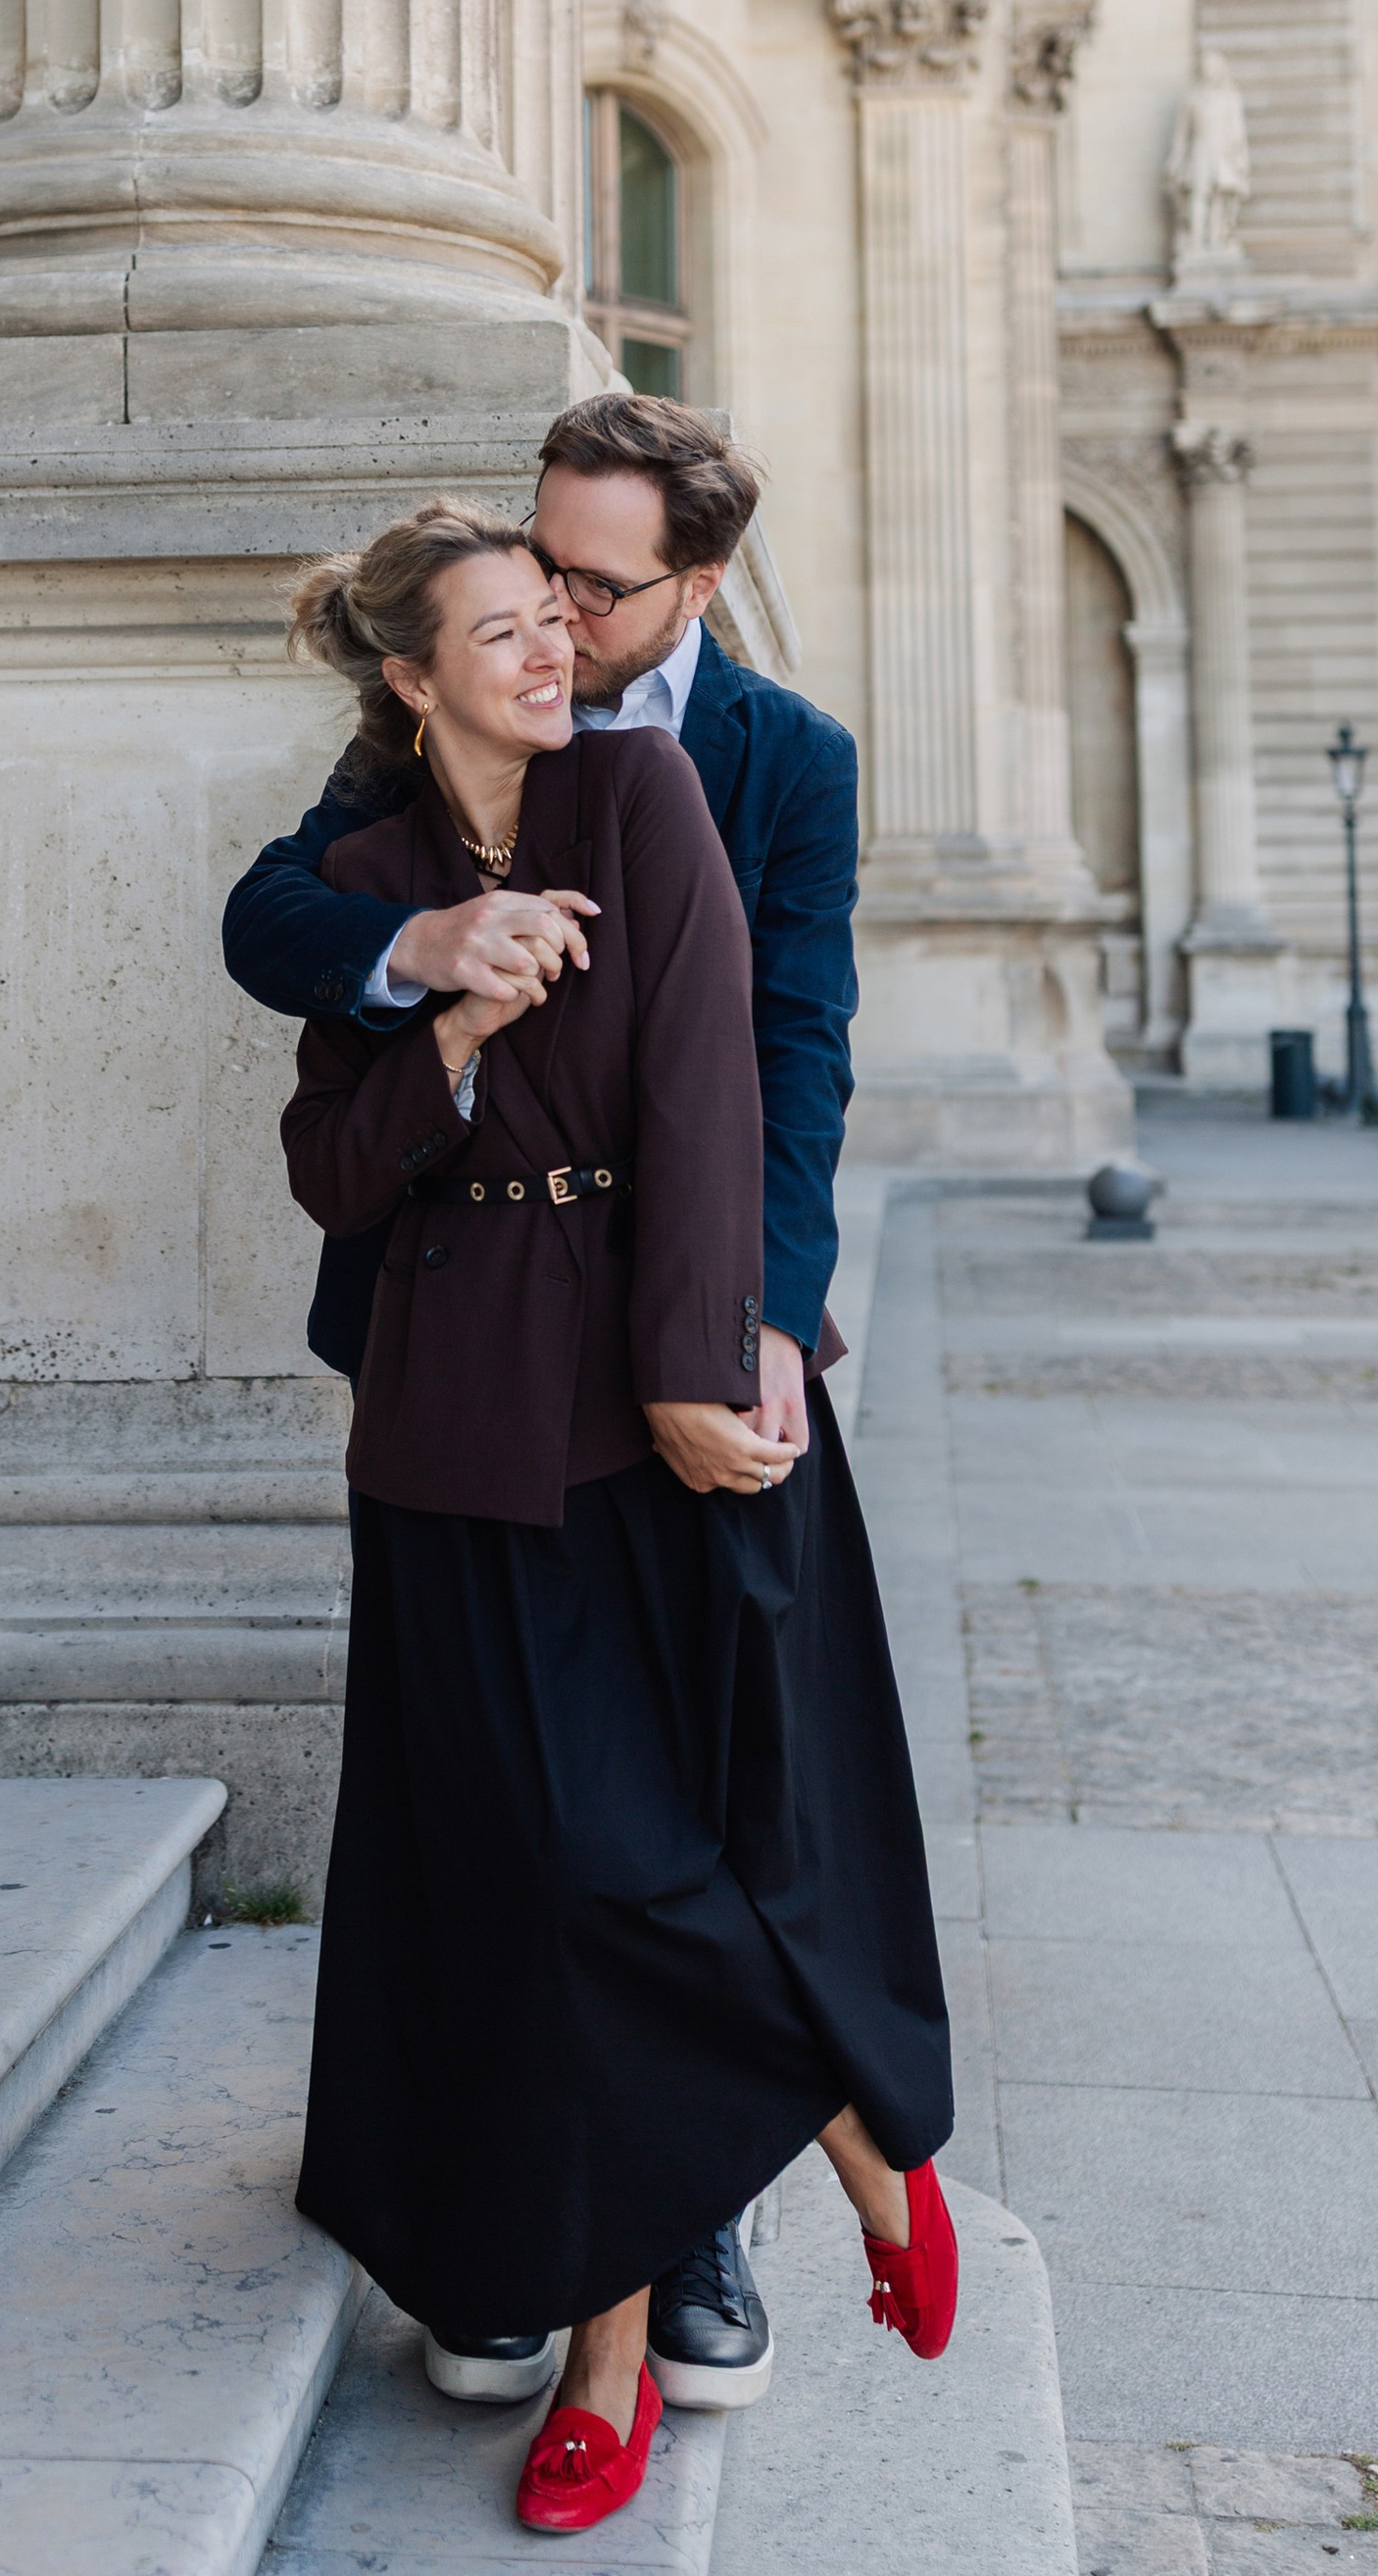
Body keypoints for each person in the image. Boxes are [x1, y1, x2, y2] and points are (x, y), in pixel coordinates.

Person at [275, 501, 956, 2539]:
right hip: (441, 1421)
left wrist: (694, 1366)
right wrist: (451, 1017)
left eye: (556, 616)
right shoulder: (367, 878)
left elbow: (711, 1086)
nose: (548, 647)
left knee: (632, 1858)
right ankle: (838, 2161)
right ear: (413, 680)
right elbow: (330, 1167)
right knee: (531, 1877)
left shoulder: (643, 797)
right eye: (500, 629)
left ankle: (617, 2358)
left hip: (631, 1406)